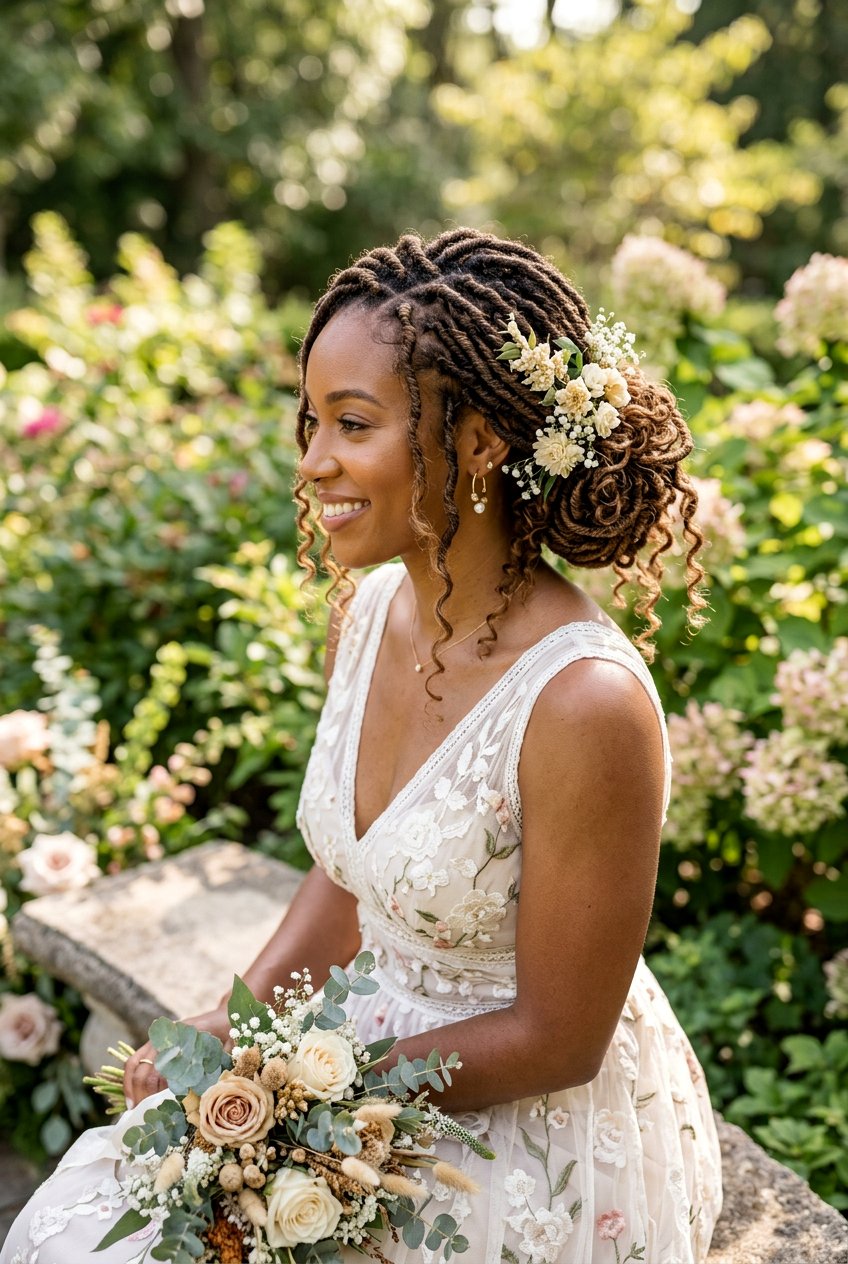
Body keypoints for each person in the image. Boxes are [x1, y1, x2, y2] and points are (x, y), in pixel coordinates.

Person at [2, 228, 722, 1264]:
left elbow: (558, 1037)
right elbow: (347, 885)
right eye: (309, 421)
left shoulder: (583, 703)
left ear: (479, 440)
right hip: (349, 1052)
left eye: (351, 422)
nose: (312, 462)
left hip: (518, 1116)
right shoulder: (368, 610)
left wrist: (306, 1083)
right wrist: (232, 1025)